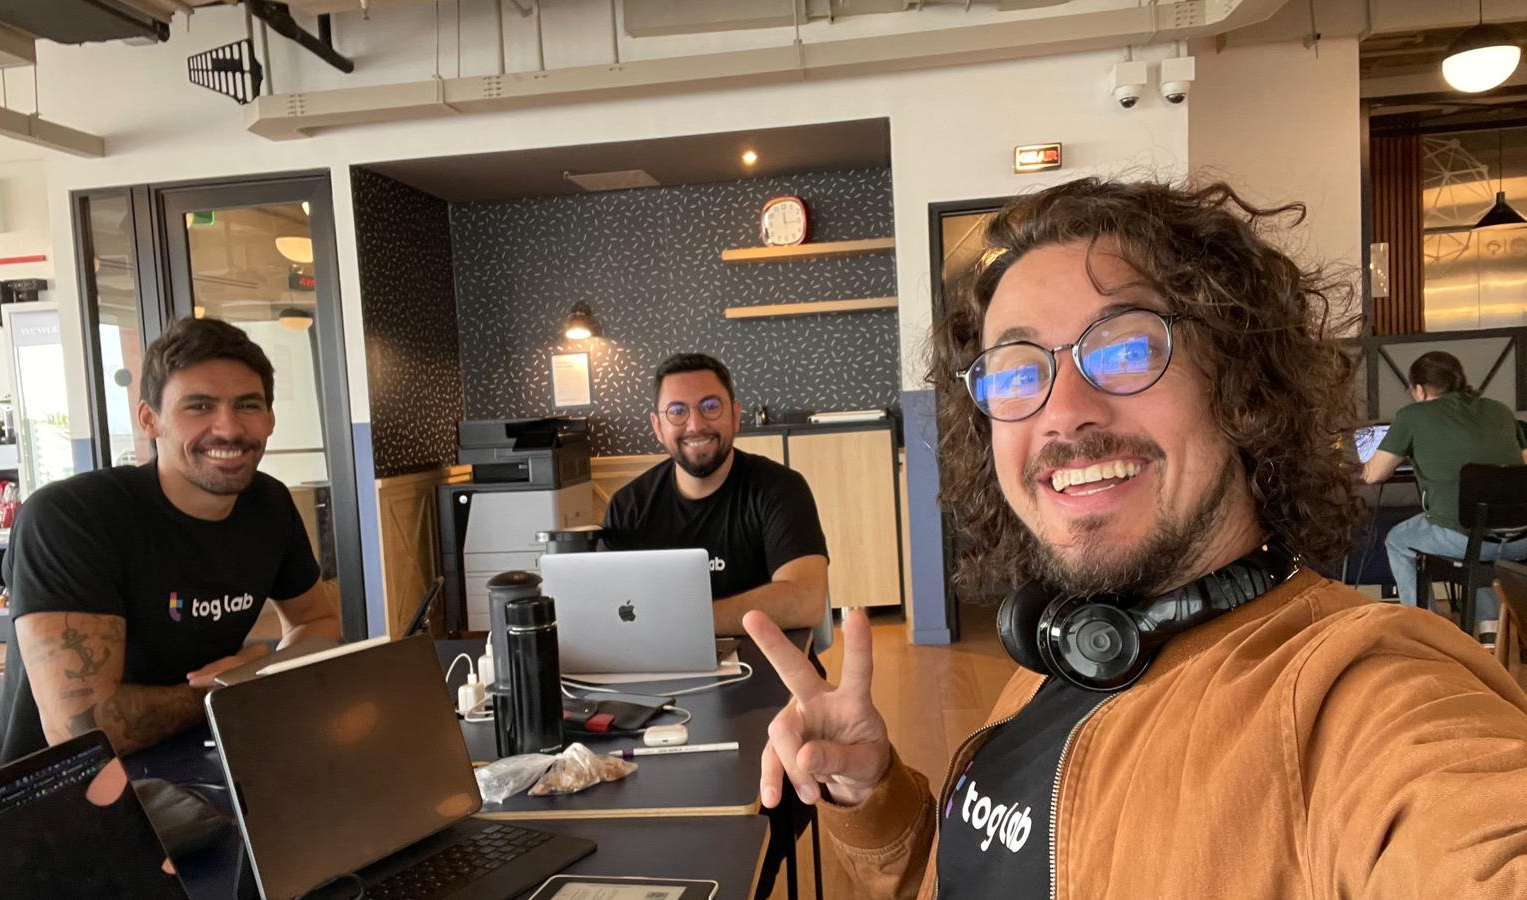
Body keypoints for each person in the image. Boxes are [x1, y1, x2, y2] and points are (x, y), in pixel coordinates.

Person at [744, 179, 1527, 898]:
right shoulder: (1071, 645)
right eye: (1017, 371)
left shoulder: (1358, 700)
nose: (1063, 410)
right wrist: (873, 790)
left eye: (1123, 349)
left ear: (1240, 381)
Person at [0, 317, 342, 766]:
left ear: (270, 419)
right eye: (199, 406)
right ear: (149, 419)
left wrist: (261, 671)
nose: (229, 429)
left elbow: (317, 620)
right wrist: (234, 688)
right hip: (64, 802)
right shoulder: (72, 518)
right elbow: (80, 729)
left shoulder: (268, 503)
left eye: (247, 405)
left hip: (212, 762)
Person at [601, 352, 828, 635]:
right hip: (668, 669)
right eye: (677, 411)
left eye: (710, 406)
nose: (695, 425)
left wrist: (685, 622)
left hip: (774, 671)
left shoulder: (780, 489)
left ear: (735, 416)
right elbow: (611, 609)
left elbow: (804, 601)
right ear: (658, 427)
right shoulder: (629, 506)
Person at [1365, 351, 1527, 643]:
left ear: (1419, 389)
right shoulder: (1500, 410)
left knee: (1397, 540)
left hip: (1465, 539)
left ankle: (1423, 629)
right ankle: (1490, 631)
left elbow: (1374, 474)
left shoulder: (1412, 415)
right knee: (1481, 523)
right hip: (1520, 540)